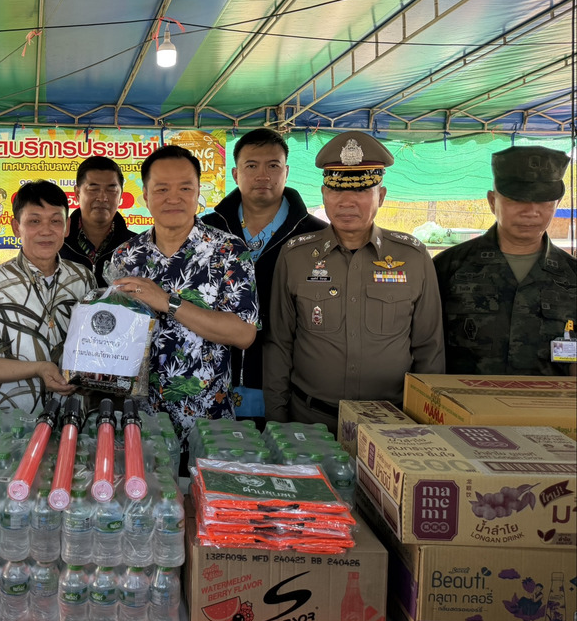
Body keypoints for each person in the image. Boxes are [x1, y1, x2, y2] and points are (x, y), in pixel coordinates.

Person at [263, 131, 445, 432]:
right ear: (324, 195)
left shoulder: (413, 257)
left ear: (381, 196)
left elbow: (430, 349)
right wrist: (277, 419)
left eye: (361, 190)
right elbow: (279, 344)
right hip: (310, 423)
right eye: (336, 191)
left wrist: (427, 424)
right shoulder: (295, 256)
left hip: (393, 425)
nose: (347, 202)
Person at [105, 145, 259, 442]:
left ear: (198, 192)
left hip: (207, 423)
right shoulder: (125, 257)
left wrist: (168, 302)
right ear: (146, 196)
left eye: (185, 188)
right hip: (138, 423)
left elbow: (244, 334)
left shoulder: (229, 251)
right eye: (161, 189)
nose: (173, 198)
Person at [214, 129, 326, 427]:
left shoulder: (316, 235)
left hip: (292, 382)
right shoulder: (208, 231)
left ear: (286, 172)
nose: (263, 175)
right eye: (252, 165)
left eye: (273, 165)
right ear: (236, 174)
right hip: (213, 380)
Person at [0, 180, 97, 417]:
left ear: (67, 227)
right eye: (34, 221)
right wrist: (39, 368)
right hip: (10, 423)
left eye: (55, 221)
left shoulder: (83, 279)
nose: (46, 230)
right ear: (16, 227)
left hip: (72, 418)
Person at [434, 146, 575, 376]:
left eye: (543, 200)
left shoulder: (572, 276)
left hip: (550, 400)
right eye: (517, 199)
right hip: (466, 398)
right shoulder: (446, 269)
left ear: (557, 203)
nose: (531, 211)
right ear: (492, 201)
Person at [59, 155, 136, 287]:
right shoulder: (57, 245)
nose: (102, 197)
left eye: (111, 189)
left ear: (120, 195)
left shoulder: (136, 247)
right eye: (93, 189)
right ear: (77, 193)